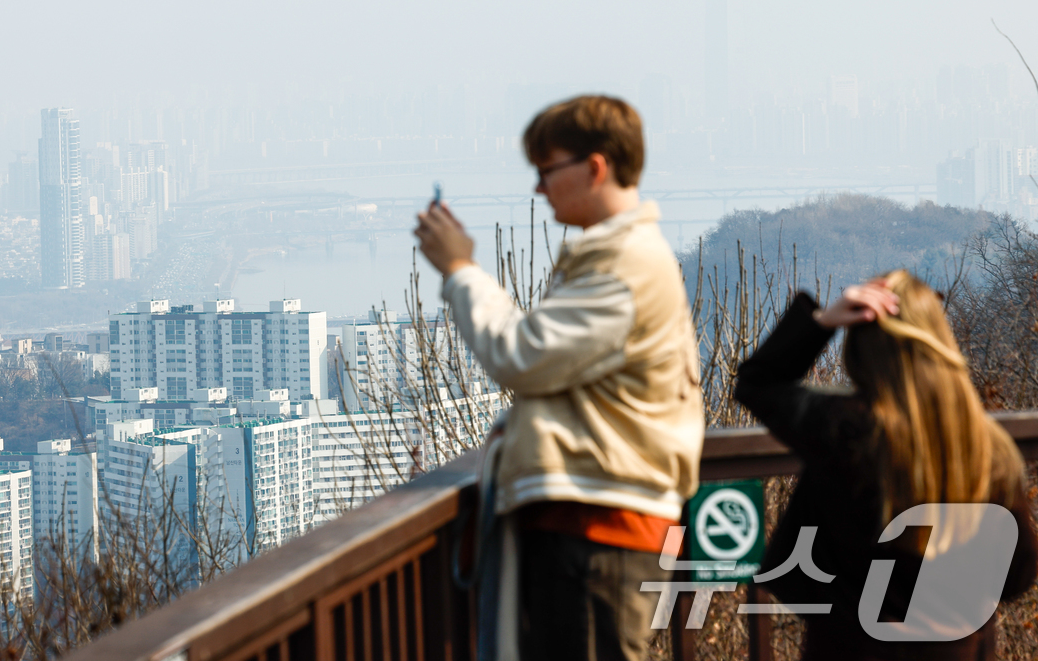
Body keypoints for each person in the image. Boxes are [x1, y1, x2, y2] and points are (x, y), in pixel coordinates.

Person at [414, 95, 703, 661]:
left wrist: (459, 270)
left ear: (595, 167)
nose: (539, 189)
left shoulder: (624, 266)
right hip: (599, 519)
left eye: (547, 170)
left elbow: (524, 355)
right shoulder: (625, 258)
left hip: (600, 530)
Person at [735, 271, 1038, 660]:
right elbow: (1017, 576)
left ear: (861, 351)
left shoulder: (845, 430)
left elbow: (756, 383)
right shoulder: (986, 449)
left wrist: (825, 319)